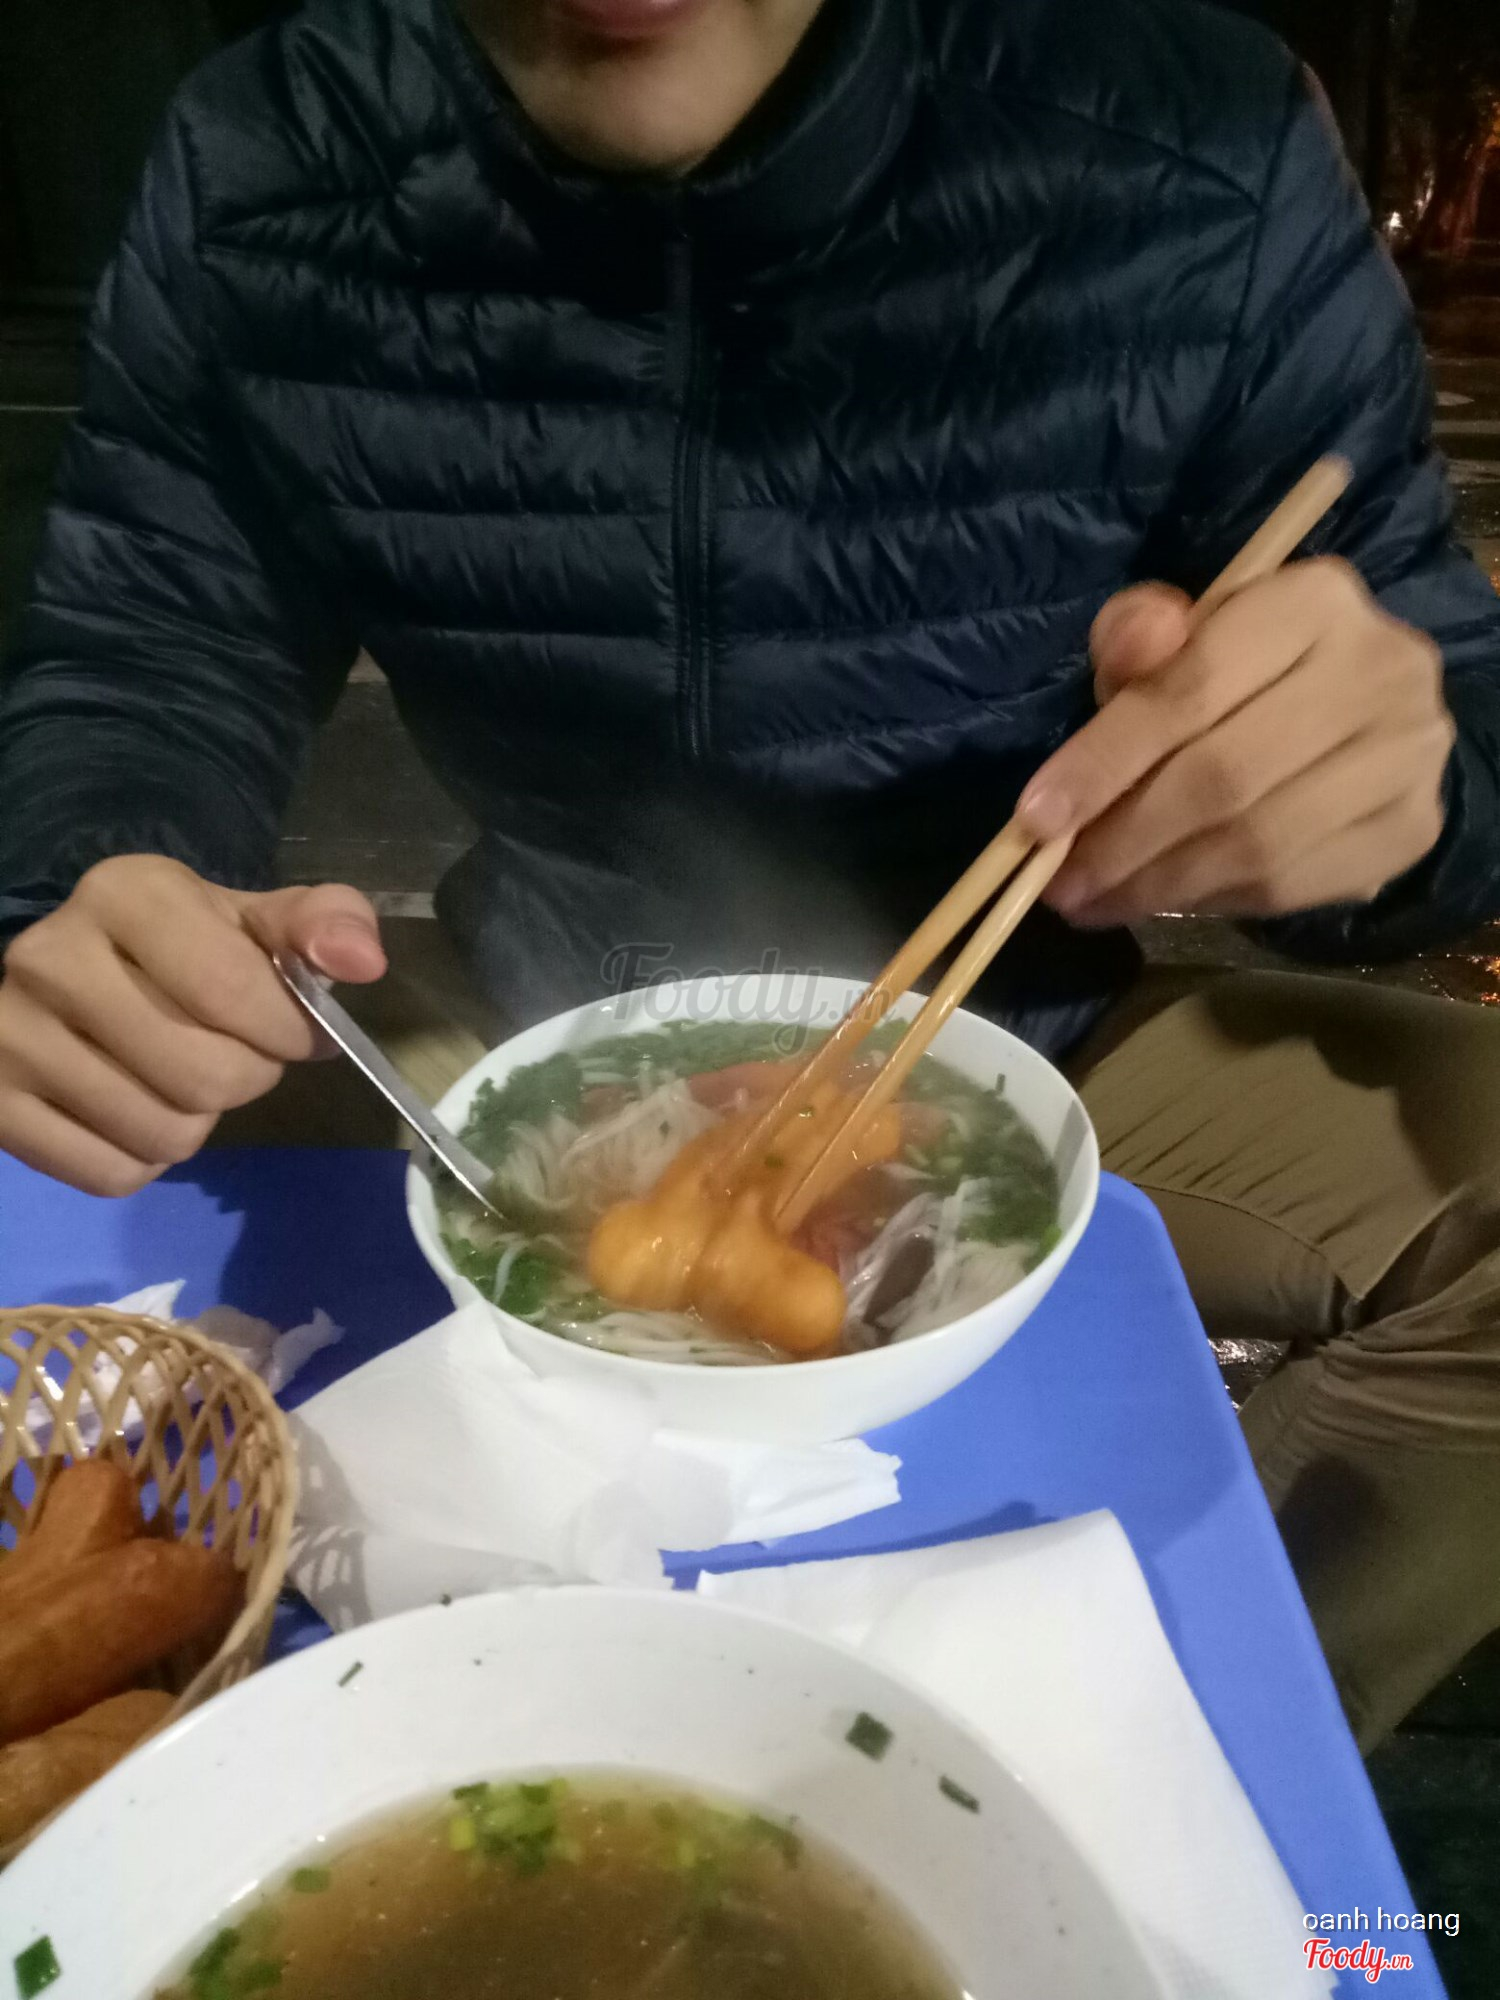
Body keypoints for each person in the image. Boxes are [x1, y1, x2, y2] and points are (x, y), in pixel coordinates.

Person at [1, 0, 1498, 1750]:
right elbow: (150, 648)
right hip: (489, 1030)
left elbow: (1442, 703)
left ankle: (1178, 1726)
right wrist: (95, 881)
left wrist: (1396, 781)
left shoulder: (1196, 143)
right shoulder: (270, 150)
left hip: (1028, 1017)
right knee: (64, 1170)